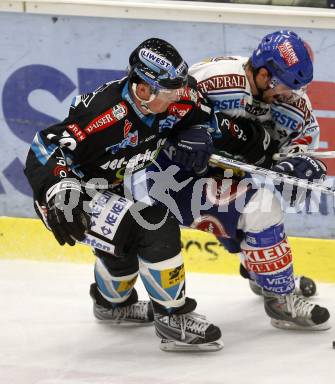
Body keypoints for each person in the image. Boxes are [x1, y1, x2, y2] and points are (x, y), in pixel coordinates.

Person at [24, 38, 223, 352]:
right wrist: (58, 189)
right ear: (142, 89)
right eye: (168, 91)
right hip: (71, 198)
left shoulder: (176, 96)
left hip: (115, 189)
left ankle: (111, 305)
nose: (176, 97)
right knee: (154, 226)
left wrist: (200, 132)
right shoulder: (104, 113)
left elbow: (202, 107)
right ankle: (173, 318)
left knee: (123, 254)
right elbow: (45, 145)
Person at [132, 30, 330, 331]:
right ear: (264, 74)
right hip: (171, 176)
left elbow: (302, 139)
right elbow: (157, 112)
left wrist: (300, 161)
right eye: (286, 87)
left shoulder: (293, 103)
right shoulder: (215, 79)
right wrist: (186, 133)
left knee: (257, 214)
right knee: (259, 210)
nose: (291, 96)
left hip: (221, 176)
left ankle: (271, 285)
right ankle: (276, 292)